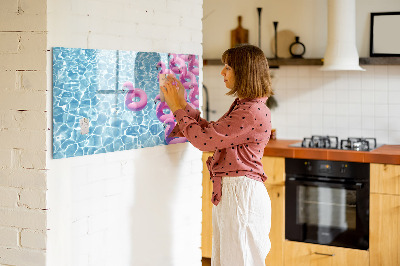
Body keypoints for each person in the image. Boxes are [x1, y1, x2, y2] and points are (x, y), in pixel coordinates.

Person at [161, 44, 273, 266]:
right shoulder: (246, 106)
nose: (222, 72)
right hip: (236, 193)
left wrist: (176, 109)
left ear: (244, 72)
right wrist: (182, 104)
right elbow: (212, 133)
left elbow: (204, 141)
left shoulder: (250, 111)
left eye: (228, 67)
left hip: (241, 195)